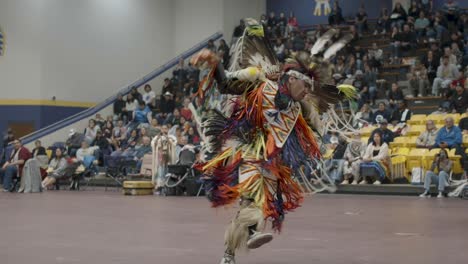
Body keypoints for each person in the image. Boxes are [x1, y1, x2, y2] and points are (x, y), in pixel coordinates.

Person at [189, 18, 355, 264]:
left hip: (273, 163)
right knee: (253, 202)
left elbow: (317, 117)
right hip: (250, 151)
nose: (307, 89)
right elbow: (225, 84)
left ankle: (231, 252)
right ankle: (249, 236)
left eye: (310, 85)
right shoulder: (260, 81)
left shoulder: (301, 107)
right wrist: (214, 62)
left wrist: (335, 93)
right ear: (291, 78)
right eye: (304, 83)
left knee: (258, 204)